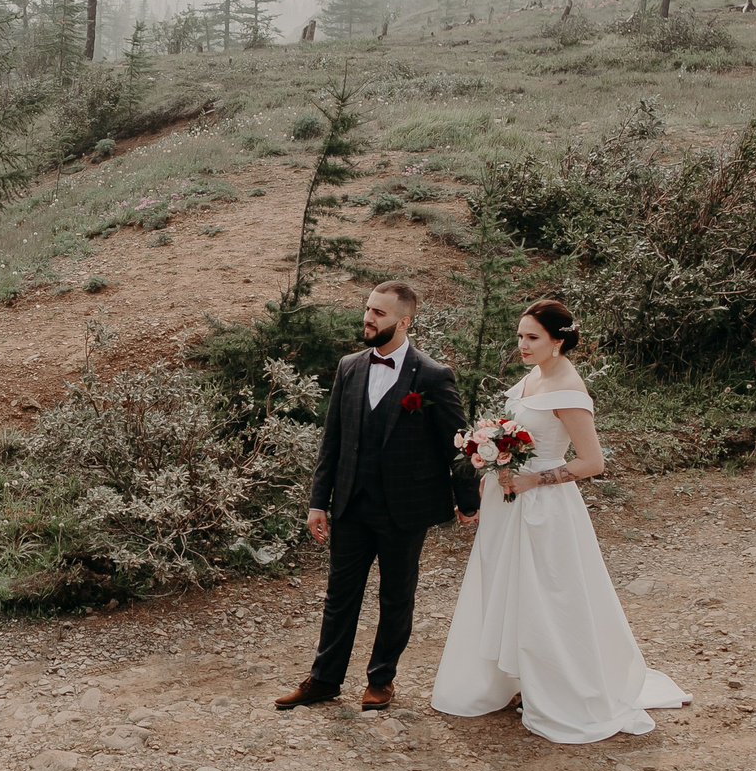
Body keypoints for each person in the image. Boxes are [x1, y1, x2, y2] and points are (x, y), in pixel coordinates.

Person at [429, 299, 688, 743]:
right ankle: (509, 679)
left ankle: (554, 686)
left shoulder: (569, 389)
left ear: (558, 340)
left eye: (533, 338)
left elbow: (592, 462)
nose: (522, 345)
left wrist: (534, 479)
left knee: (545, 596)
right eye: (520, 336)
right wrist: (489, 457)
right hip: (506, 502)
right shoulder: (534, 375)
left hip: (543, 508)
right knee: (503, 587)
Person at [276, 281, 478, 714]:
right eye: (368, 309)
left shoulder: (432, 375)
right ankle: (325, 679)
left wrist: (468, 500)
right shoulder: (349, 366)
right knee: (339, 595)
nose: (368, 318)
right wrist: (317, 502)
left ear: (403, 322)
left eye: (379, 313)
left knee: (396, 594)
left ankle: (381, 679)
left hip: (405, 509)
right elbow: (332, 441)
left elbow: (456, 443)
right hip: (350, 502)